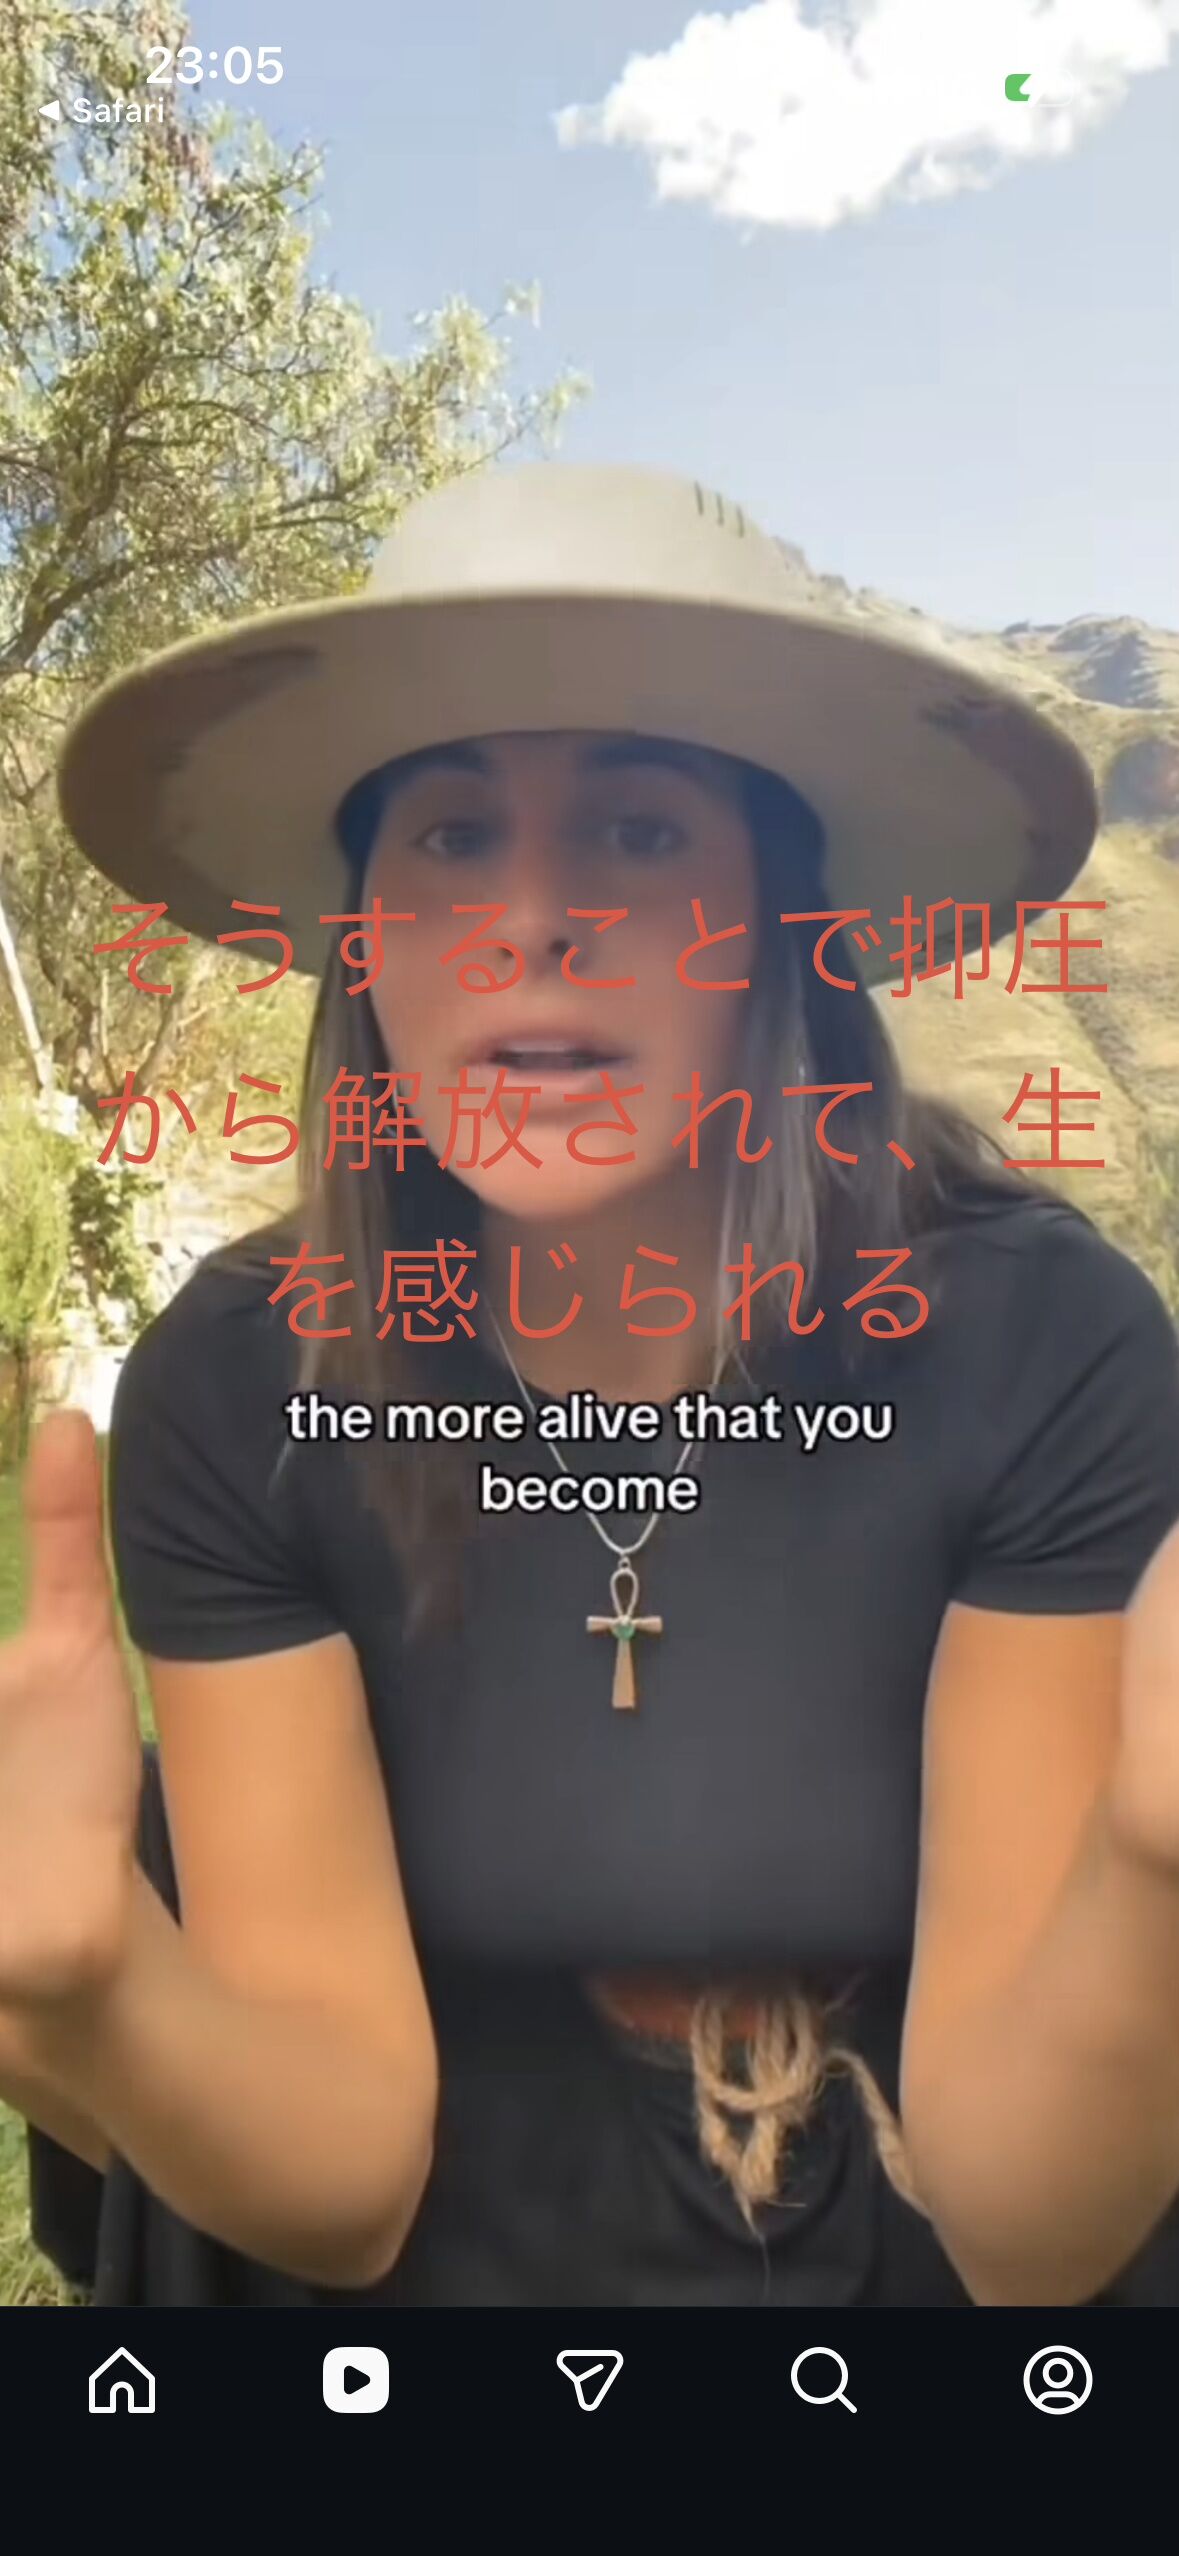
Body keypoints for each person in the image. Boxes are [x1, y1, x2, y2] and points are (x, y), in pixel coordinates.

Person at [6, 460, 1179, 2309]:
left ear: (779, 932)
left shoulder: (1037, 1345)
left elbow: (1026, 2229)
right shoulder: (243, 1385)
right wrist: (92, 1991)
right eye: (451, 837)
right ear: (366, 943)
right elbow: (339, 2179)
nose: (529, 919)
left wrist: (1157, 1865)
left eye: (638, 831)